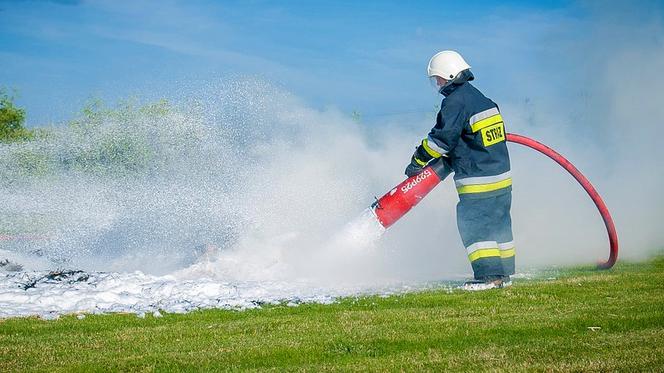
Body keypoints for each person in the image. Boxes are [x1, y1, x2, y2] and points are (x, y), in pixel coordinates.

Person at [405, 50, 515, 290]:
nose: (438, 84)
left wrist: (417, 161)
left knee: (474, 224)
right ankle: (504, 273)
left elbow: (440, 141)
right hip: (501, 178)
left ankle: (489, 277)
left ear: (450, 75)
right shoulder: (483, 100)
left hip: (478, 180)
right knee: (499, 224)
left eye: (439, 79)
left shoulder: (455, 102)